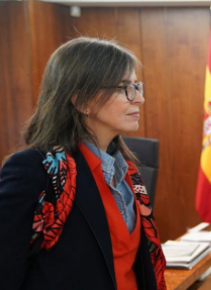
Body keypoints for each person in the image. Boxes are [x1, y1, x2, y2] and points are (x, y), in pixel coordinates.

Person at [0, 37, 166, 290]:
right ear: (81, 101)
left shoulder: (128, 172)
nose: (139, 99)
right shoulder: (34, 170)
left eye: (136, 86)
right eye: (124, 88)